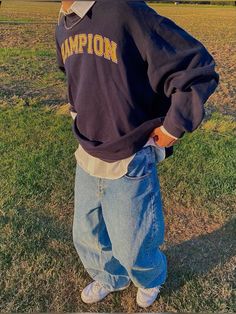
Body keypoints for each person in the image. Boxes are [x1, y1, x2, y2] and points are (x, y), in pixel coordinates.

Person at [55, 0, 219, 308]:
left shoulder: (124, 10)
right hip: (87, 151)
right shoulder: (63, 22)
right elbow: (73, 71)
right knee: (86, 235)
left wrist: (173, 126)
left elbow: (196, 67)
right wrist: (77, 111)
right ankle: (110, 277)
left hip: (130, 156)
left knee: (133, 244)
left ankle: (150, 279)